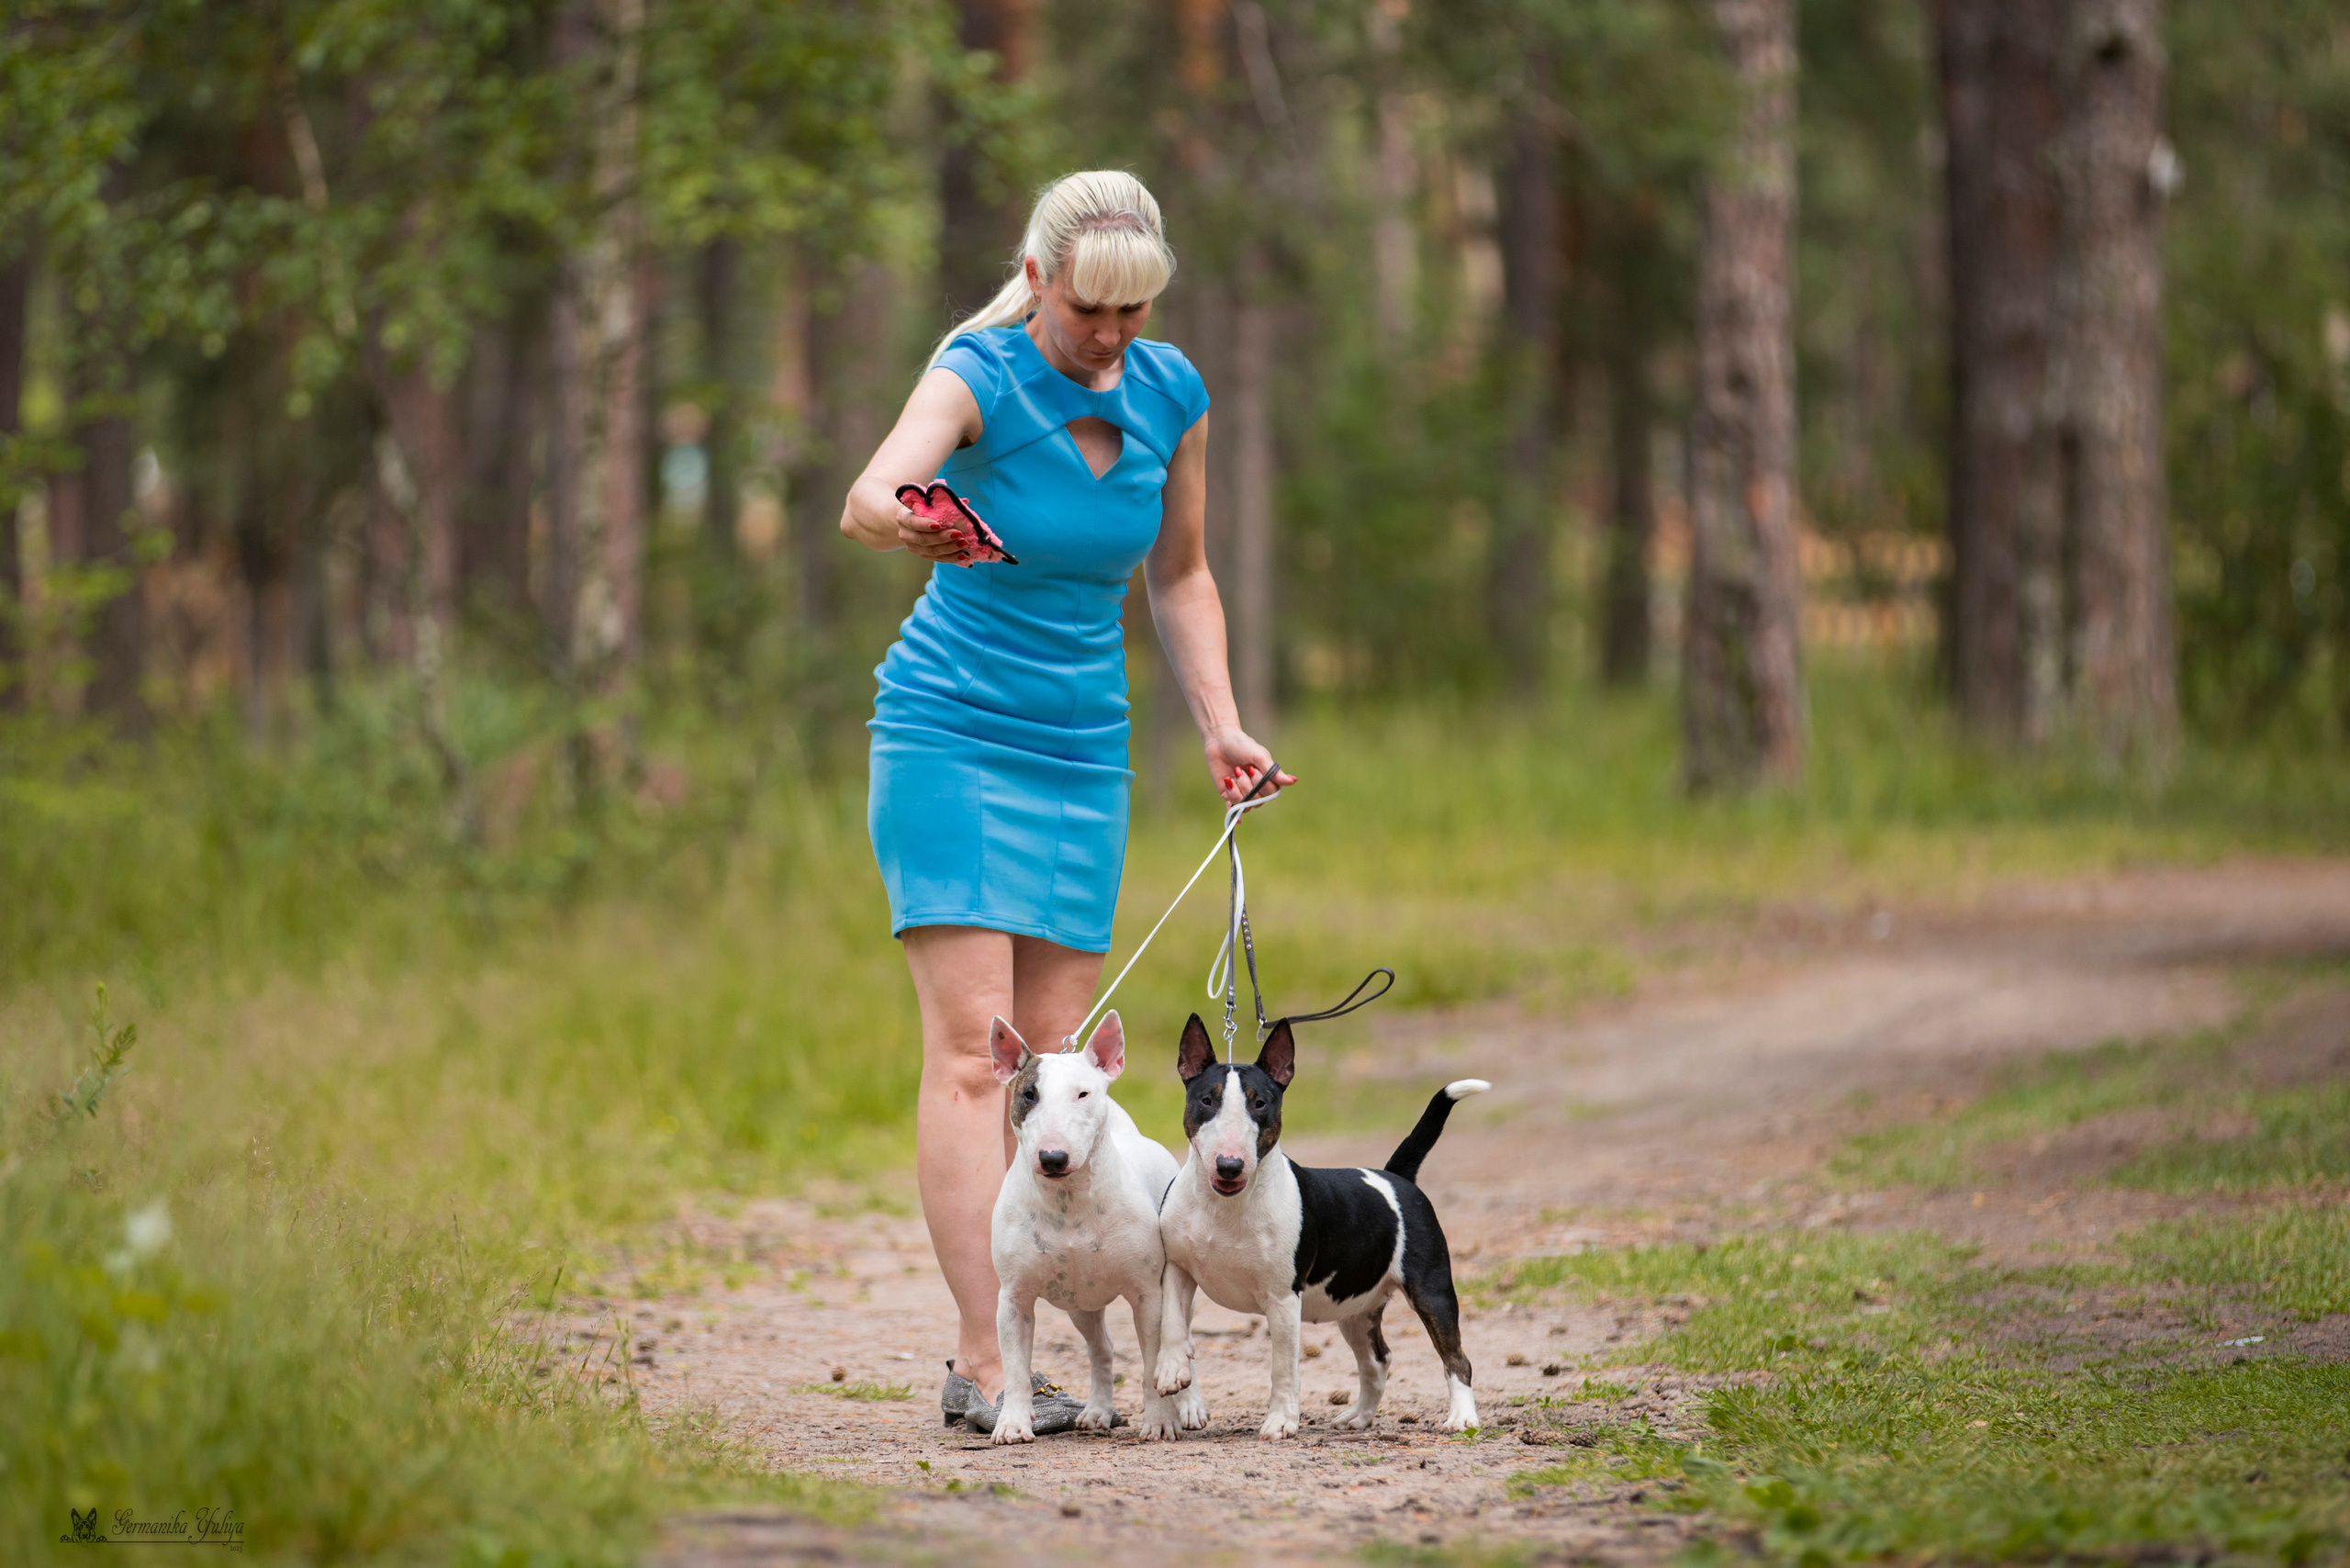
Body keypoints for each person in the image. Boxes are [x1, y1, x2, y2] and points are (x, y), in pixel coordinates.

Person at [839, 170, 1292, 1431]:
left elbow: (1184, 575)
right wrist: (908, 522)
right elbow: (869, 494)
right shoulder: (977, 370)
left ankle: (1041, 1345)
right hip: (946, 733)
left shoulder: (1169, 393)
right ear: (1039, 282)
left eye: (1131, 314)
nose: (1108, 337)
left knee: (1060, 1073)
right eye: (1089, 311)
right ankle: (988, 1356)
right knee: (975, 1059)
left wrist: (1220, 723)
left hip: (1085, 754)